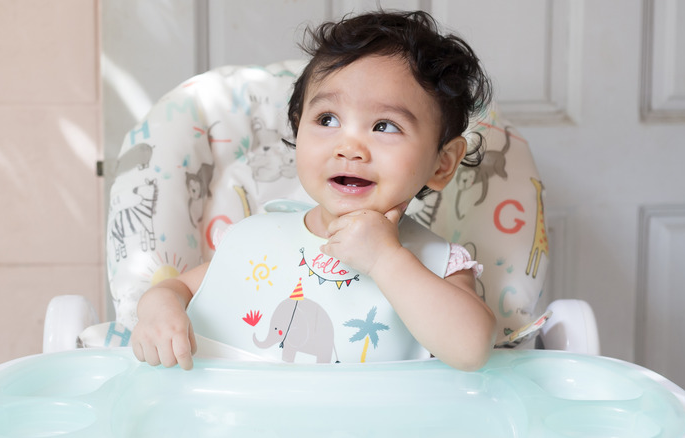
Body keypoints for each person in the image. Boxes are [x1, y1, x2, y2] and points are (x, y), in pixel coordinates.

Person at [131, 10, 497, 371]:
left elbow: (472, 350)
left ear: (442, 163)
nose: (349, 147)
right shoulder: (256, 240)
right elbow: (176, 290)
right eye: (327, 120)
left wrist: (385, 259)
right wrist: (158, 308)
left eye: (384, 126)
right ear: (297, 127)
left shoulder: (437, 264)